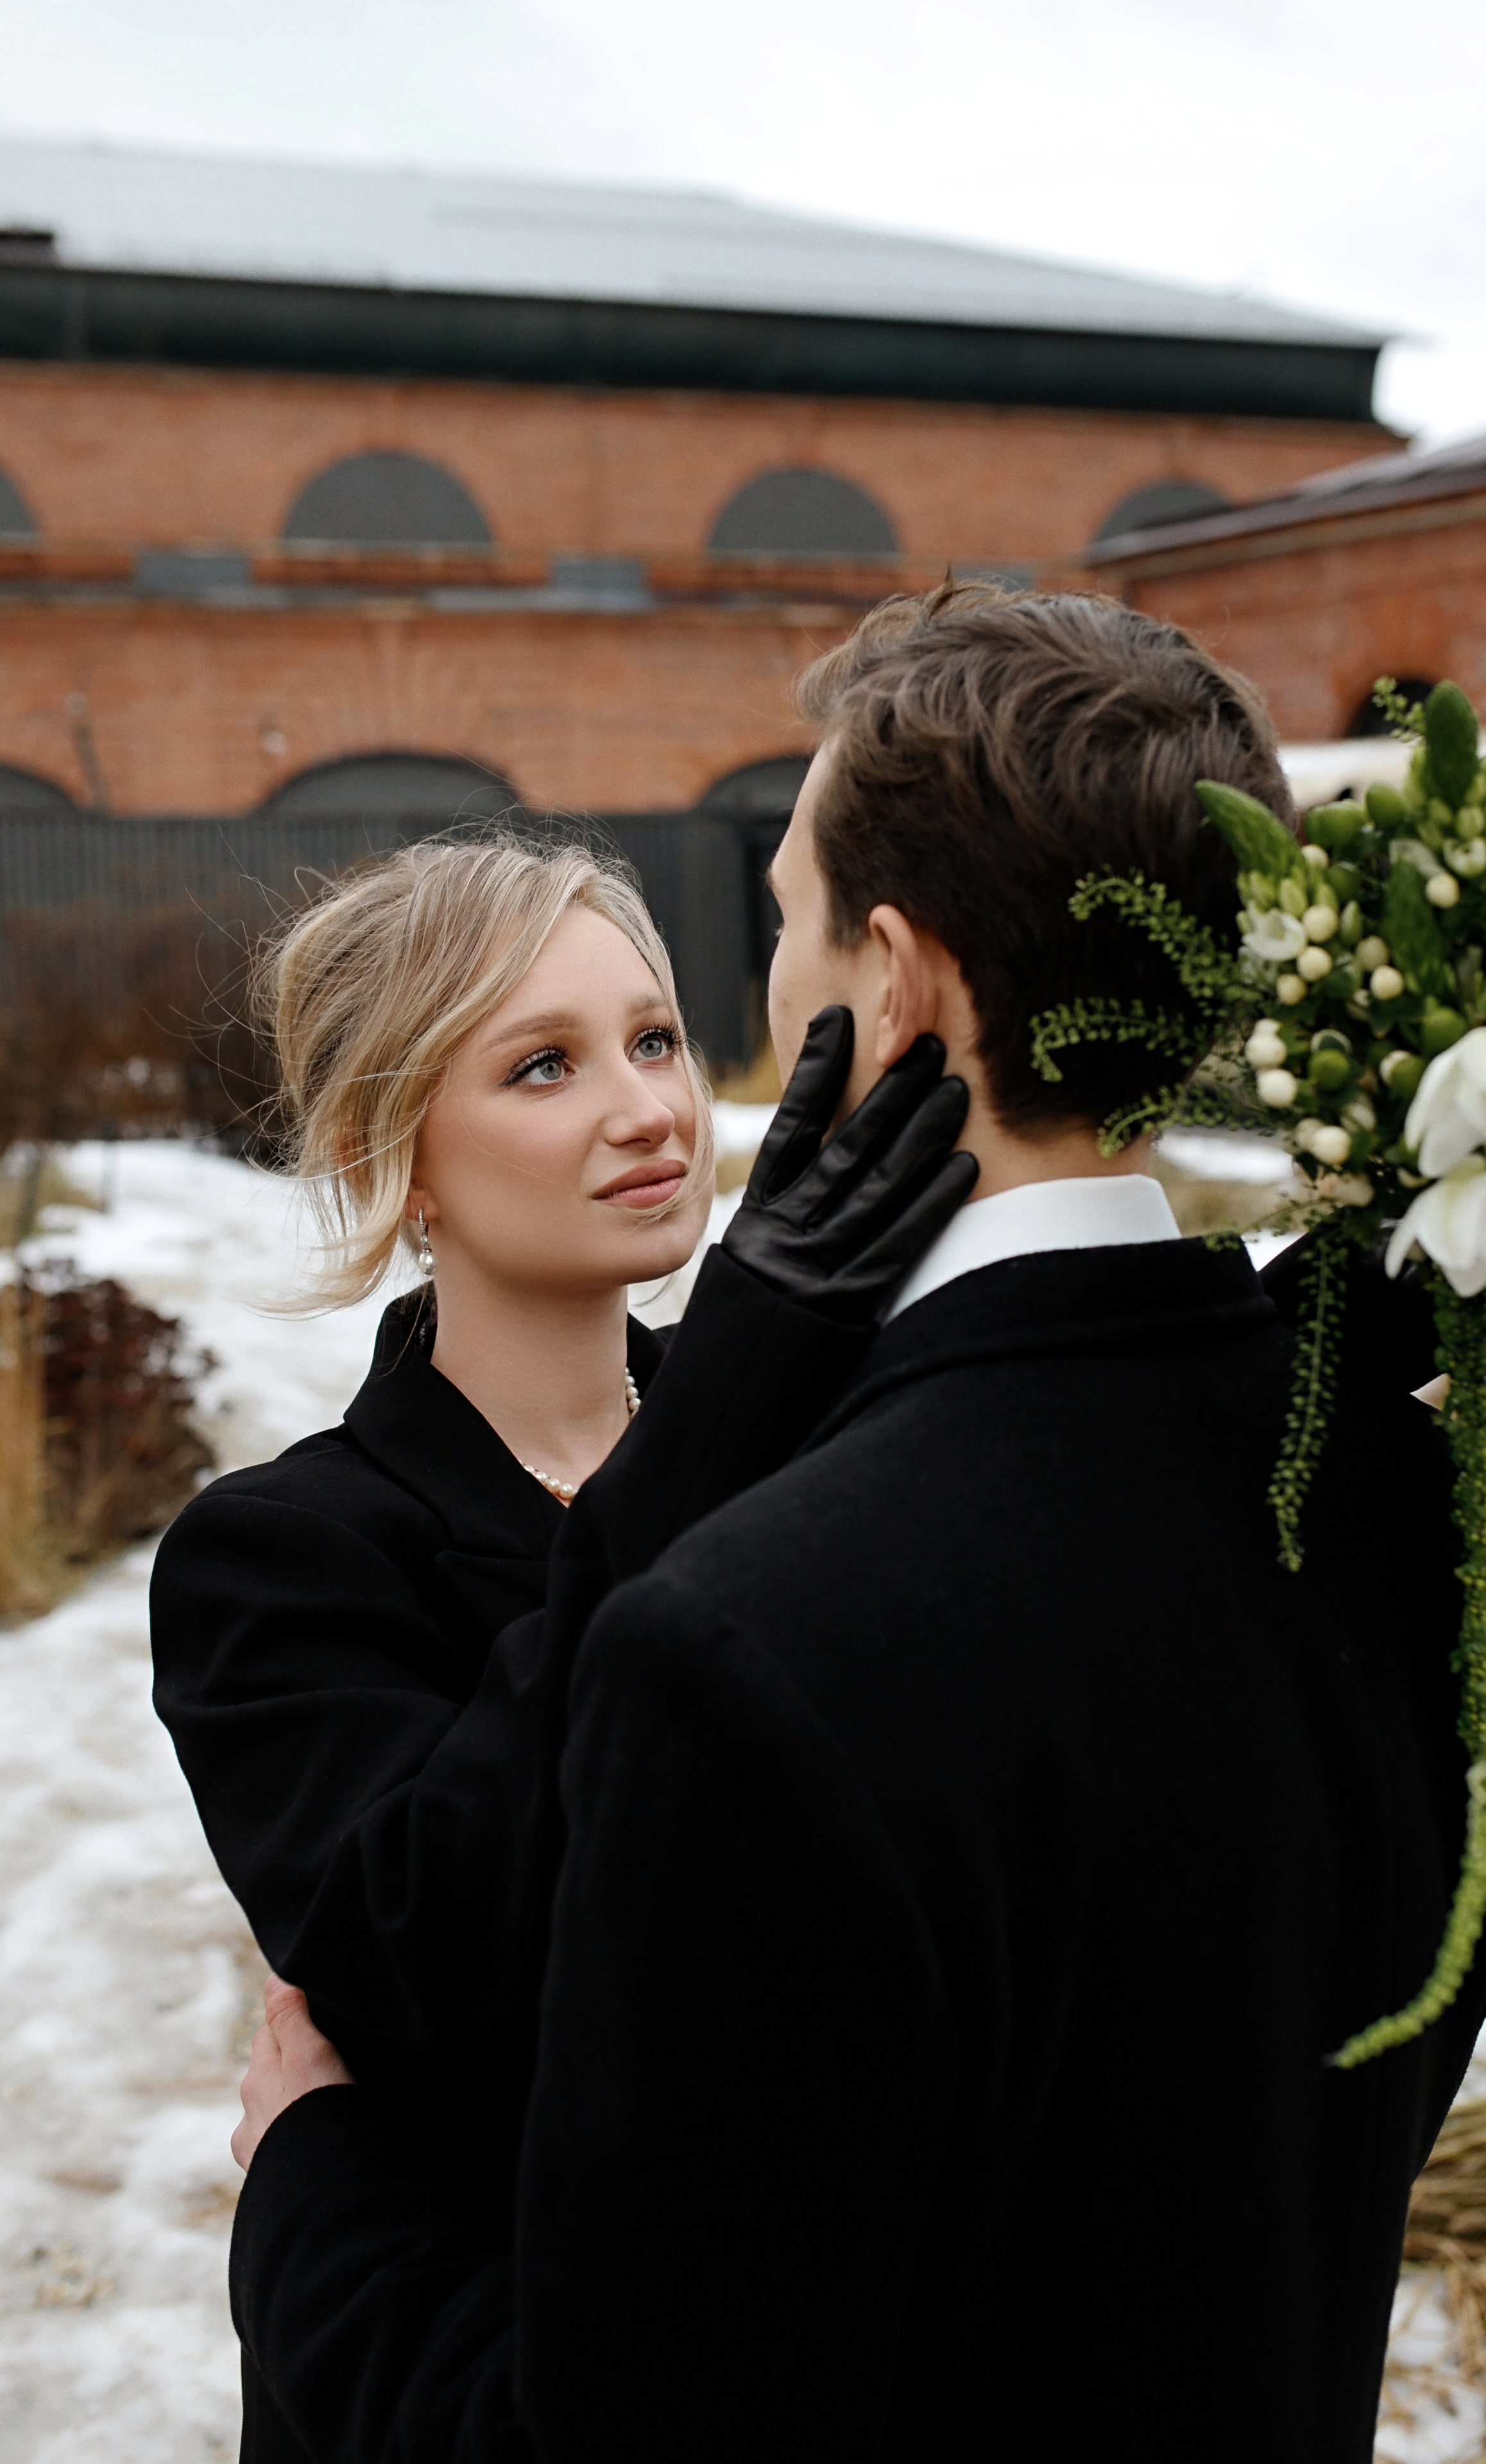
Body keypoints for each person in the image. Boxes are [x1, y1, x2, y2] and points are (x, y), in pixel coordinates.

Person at [221, 588, 1486, 2464]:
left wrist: (309, 2178)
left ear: (889, 980)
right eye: (544, 1063)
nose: (668, 1093)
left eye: (751, 956)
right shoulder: (1392, 1488)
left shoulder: (749, 1637)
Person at [149, 835, 975, 2464]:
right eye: (544, 1065)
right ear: (401, 1156)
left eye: (655, 1038)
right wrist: (728, 1417)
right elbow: (431, 1957)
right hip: (466, 2382)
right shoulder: (284, 1558)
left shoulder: (829, 1444)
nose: (648, 1111)